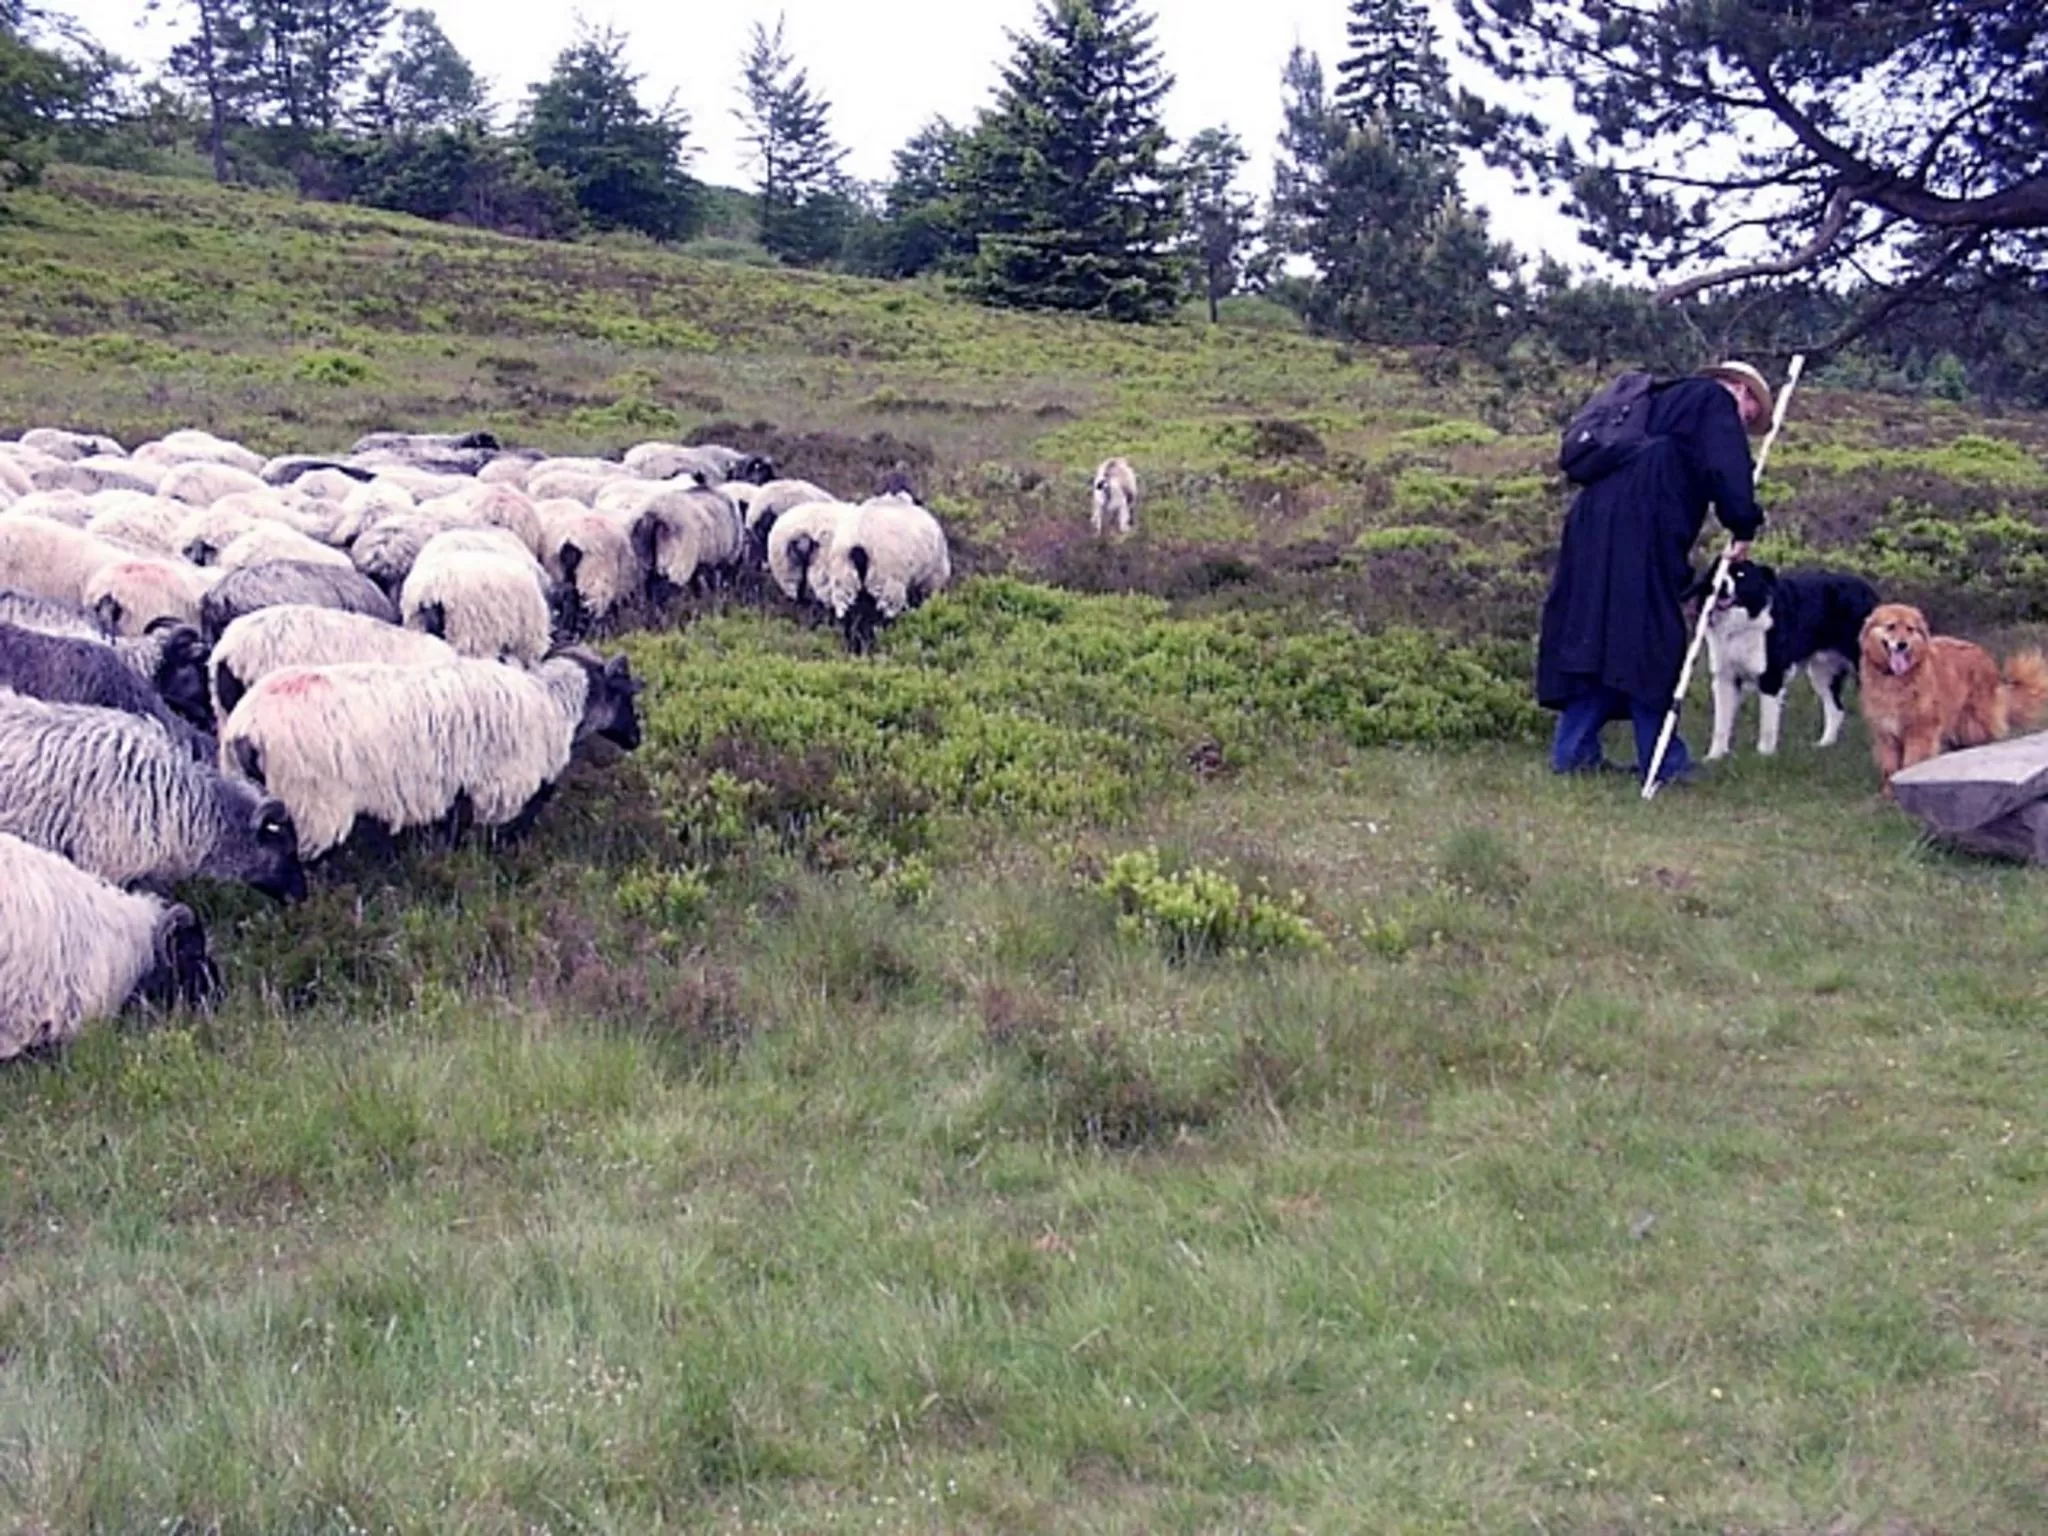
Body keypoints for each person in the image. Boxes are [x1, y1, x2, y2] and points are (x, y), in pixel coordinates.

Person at [1536, 360, 1772, 783]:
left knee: (1596, 634)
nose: (1746, 421)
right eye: (1750, 412)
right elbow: (1728, 466)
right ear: (1739, 389)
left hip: (1591, 524)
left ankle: (1573, 753)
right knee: (1651, 639)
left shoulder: (1655, 403)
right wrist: (1743, 525)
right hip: (1642, 527)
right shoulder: (1712, 398)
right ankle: (1664, 763)